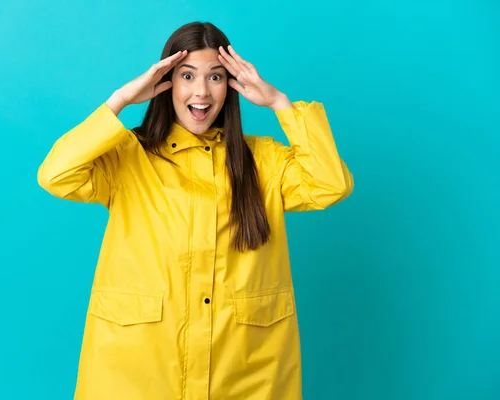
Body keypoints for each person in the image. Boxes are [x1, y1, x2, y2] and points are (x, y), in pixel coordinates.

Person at [38, 21, 353, 400]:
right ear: (165, 82)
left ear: (232, 86)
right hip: (137, 374)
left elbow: (330, 183)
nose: (201, 91)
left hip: (244, 374)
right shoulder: (128, 157)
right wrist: (118, 101)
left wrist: (279, 103)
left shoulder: (263, 161)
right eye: (187, 75)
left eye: (215, 77)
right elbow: (56, 174)